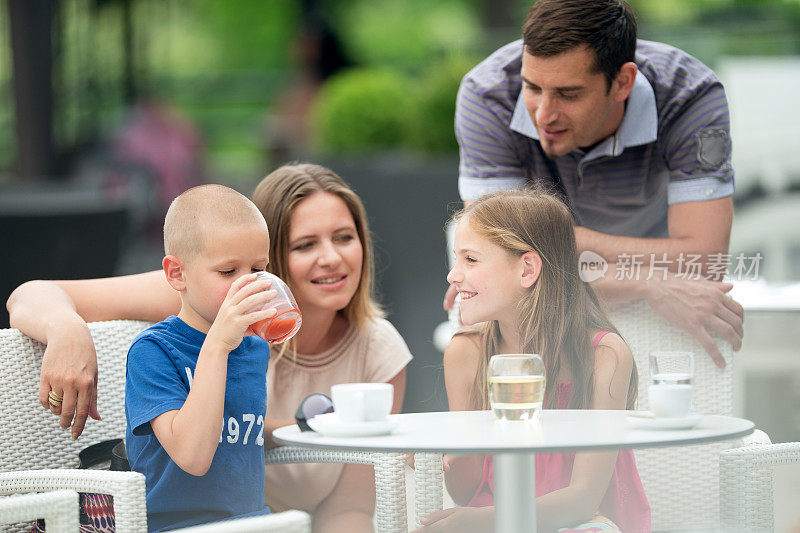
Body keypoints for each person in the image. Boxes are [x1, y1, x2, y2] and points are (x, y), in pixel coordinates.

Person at [6, 163, 412, 533]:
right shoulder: (199, 306)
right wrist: (68, 330)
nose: (331, 258)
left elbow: (344, 502)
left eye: (344, 237)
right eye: (306, 244)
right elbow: (35, 294)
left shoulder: (271, 345)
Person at [445, 0, 743, 368]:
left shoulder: (690, 97)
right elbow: (498, 271)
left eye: (568, 94)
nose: (543, 114)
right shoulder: (486, 95)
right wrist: (646, 284)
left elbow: (703, 261)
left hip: (663, 326)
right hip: (565, 320)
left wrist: (563, 241)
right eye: (532, 87)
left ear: (622, 83)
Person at [418, 188, 650, 533]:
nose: (453, 276)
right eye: (457, 259)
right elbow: (468, 493)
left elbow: (584, 498)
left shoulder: (604, 355)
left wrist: (480, 522)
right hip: (490, 519)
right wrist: (451, 455)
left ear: (527, 268)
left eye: (470, 259)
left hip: (583, 522)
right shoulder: (465, 353)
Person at [126, 185, 275, 531]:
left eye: (258, 269)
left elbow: (241, 433)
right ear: (177, 274)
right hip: (175, 525)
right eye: (228, 272)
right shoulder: (153, 352)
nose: (247, 285)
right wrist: (217, 345)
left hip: (251, 521)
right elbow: (193, 457)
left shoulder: (254, 348)